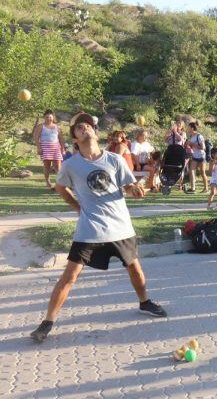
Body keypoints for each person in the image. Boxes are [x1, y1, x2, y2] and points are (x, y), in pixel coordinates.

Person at [30, 112, 167, 343]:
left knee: (134, 269)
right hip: (89, 229)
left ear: (96, 131)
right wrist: (78, 208)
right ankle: (47, 323)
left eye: (87, 125)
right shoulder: (71, 165)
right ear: (74, 138)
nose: (84, 127)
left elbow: (129, 186)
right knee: (69, 276)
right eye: (78, 127)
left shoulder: (114, 159)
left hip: (120, 226)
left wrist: (135, 190)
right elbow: (61, 188)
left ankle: (144, 302)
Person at [33, 109, 66, 190]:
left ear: (53, 117)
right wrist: (38, 148)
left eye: (50, 117)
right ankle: (47, 182)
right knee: (47, 166)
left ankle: (59, 183)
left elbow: (61, 139)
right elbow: (36, 138)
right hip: (45, 147)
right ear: (44, 117)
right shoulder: (41, 126)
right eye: (47, 117)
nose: (49, 119)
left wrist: (63, 149)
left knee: (58, 166)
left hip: (56, 148)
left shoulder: (57, 127)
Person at [185, 122, 208, 193]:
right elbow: (193, 147)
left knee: (202, 173)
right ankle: (193, 189)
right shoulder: (191, 136)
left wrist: (192, 144)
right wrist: (188, 145)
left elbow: (203, 148)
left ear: (192, 128)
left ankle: (206, 188)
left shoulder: (199, 136)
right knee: (191, 171)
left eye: (188, 127)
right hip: (195, 156)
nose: (187, 128)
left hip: (201, 157)